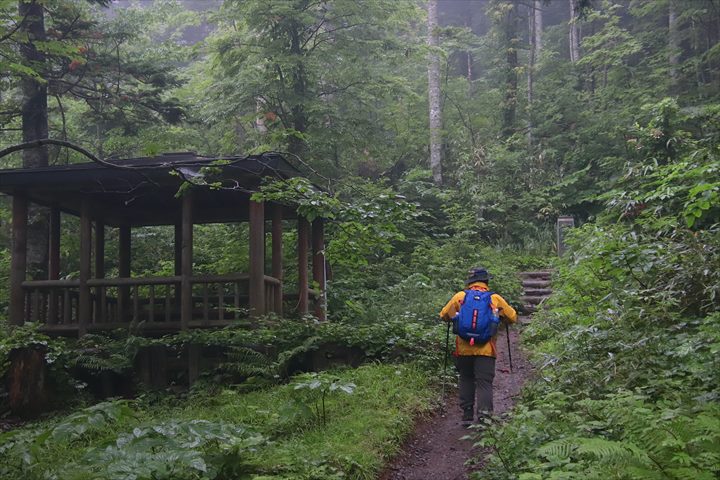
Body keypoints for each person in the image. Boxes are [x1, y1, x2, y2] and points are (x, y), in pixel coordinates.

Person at [439, 267, 517, 423]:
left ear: (470, 282)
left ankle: (467, 415)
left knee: (466, 378)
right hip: (486, 350)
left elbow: (444, 314)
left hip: (464, 349)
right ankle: (484, 418)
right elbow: (512, 317)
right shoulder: (494, 298)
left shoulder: (461, 296)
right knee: (484, 383)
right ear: (486, 282)